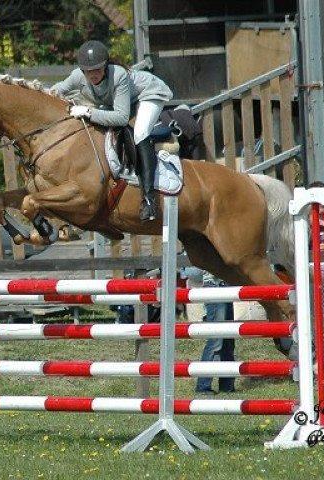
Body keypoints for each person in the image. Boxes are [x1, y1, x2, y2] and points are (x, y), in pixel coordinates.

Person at [50, 40, 173, 222]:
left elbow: (121, 118)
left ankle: (149, 200)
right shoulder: (77, 76)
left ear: (106, 65)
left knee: (140, 132)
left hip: (149, 93)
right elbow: (53, 92)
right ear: (82, 70)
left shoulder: (118, 75)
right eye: (88, 71)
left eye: (97, 69)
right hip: (124, 102)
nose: (93, 75)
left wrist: (88, 112)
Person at [181, 267, 235, 395]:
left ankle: (227, 385)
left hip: (225, 286)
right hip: (215, 286)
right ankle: (203, 386)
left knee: (228, 341)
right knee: (215, 341)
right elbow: (195, 272)